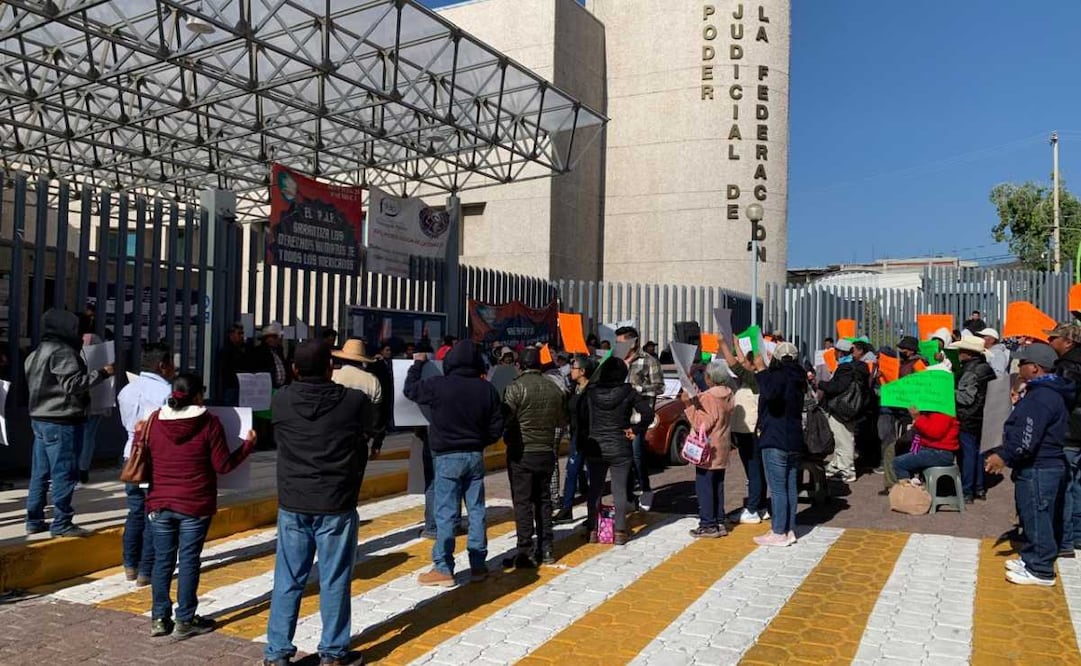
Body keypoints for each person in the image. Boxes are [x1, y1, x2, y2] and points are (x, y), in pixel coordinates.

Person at [264, 340, 377, 665]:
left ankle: (277, 653)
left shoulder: (282, 400)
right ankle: (333, 652)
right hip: (336, 501)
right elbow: (370, 429)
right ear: (331, 368)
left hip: (293, 501)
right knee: (335, 579)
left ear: (295, 369)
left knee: (288, 579)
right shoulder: (353, 402)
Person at [144, 373, 257, 638]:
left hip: (160, 502)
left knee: (162, 561)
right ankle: (184, 619)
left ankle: (159, 619)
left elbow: (146, 460)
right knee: (189, 560)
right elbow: (223, 465)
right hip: (195, 503)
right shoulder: (209, 423)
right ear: (197, 396)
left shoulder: (154, 421)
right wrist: (247, 446)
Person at [405, 341, 504, 587]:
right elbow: (496, 426)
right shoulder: (486, 389)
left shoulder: (438, 385)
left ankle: (443, 567)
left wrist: (417, 365)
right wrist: (480, 441)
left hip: (446, 456)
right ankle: (479, 565)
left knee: (446, 513)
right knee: (477, 511)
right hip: (474, 455)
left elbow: (410, 390)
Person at [985, 342, 1073, 586]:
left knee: (1037, 515)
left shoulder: (1041, 397)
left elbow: (1027, 436)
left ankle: (1041, 569)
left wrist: (1004, 456)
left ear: (1035, 368)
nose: (1019, 366)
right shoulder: (1044, 392)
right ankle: (1032, 557)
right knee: (1035, 514)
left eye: (1023, 363)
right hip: (1044, 465)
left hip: (1039, 467)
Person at [24, 308, 114, 537]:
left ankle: (34, 519)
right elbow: (73, 384)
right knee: (64, 472)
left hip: (40, 418)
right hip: (62, 419)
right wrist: (102, 373)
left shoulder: (37, 352)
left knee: (40, 473)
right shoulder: (62, 352)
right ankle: (62, 522)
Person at [117, 342, 176, 585]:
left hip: (131, 457)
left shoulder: (126, 391)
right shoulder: (166, 393)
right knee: (154, 513)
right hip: (154, 459)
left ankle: (130, 565)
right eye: (171, 364)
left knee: (135, 512)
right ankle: (146, 570)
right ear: (162, 365)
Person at [501, 348, 567, 567]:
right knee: (544, 500)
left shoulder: (515, 387)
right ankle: (547, 548)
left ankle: (525, 550)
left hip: (522, 452)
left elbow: (507, 419)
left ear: (521, 365)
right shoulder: (553, 388)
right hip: (546, 451)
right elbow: (560, 421)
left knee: (523, 502)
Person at [581, 357, 654, 545]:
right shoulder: (628, 391)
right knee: (619, 489)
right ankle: (620, 531)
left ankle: (592, 530)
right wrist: (635, 429)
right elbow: (647, 413)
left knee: (595, 489)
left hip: (595, 444)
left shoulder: (591, 391)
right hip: (620, 445)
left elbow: (579, 414)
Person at [751, 342, 807, 547]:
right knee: (790, 486)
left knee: (777, 489)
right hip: (794, 438)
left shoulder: (777, 376)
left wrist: (761, 369)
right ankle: (789, 528)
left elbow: (770, 392)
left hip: (775, 437)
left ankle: (779, 531)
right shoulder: (799, 376)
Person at [680, 361, 735, 538]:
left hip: (708, 448)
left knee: (704, 486)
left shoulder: (710, 397)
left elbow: (702, 422)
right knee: (718, 484)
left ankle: (707, 524)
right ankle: (719, 520)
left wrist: (688, 406)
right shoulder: (728, 393)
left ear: (710, 378)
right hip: (722, 445)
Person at [718, 336, 768, 524]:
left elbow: (736, 366)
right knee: (755, 470)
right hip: (745, 431)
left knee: (753, 470)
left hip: (750, 432)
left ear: (755, 365)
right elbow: (740, 364)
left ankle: (753, 508)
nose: (742, 362)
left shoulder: (755, 381)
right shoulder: (752, 380)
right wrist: (738, 346)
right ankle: (761, 505)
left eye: (747, 360)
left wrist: (723, 346)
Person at [616, 325, 664, 511]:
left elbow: (659, 387)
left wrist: (636, 390)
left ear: (633, 342)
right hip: (619, 416)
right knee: (622, 457)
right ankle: (628, 496)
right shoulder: (616, 361)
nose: (618, 346)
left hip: (638, 417)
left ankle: (645, 489)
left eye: (622, 342)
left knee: (636, 455)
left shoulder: (648, 361)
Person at [1046, 322, 1081, 557]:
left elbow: (1061, 397)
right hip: (1078, 432)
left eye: (1053, 338)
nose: (1050, 342)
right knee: (1077, 485)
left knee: (1064, 487)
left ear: (1068, 342)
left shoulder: (1067, 366)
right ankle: (1077, 536)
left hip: (1069, 432)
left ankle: (1065, 540)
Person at [950, 334, 996, 503]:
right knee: (979, 453)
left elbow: (966, 398)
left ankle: (967, 490)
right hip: (984, 416)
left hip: (968, 417)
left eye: (962, 350)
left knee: (968, 454)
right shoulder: (986, 368)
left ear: (969, 353)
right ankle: (979, 488)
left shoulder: (969, 371)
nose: (959, 352)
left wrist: (948, 390)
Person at [878, 336, 925, 495]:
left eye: (903, 349)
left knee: (905, 447)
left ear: (911, 350)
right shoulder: (905, 363)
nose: (900, 351)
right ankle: (897, 482)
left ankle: (897, 483)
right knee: (899, 447)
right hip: (901, 409)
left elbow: (921, 386)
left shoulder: (918, 364)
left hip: (910, 412)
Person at [819, 338, 870, 483]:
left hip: (841, 409)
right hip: (853, 408)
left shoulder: (846, 367)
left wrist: (821, 384)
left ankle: (847, 471)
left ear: (839, 352)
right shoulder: (860, 366)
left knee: (844, 439)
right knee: (842, 437)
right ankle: (836, 466)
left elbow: (838, 387)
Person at [554, 355, 596, 524]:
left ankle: (593, 513)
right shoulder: (573, 389)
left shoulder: (593, 391)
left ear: (583, 371)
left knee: (594, 476)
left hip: (591, 439)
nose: (571, 370)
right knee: (571, 473)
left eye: (574, 368)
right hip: (576, 438)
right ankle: (566, 509)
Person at [892, 408, 960, 481]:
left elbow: (935, 433)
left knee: (899, 463)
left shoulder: (944, 412)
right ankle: (905, 485)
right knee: (895, 452)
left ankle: (907, 490)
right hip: (928, 448)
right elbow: (919, 434)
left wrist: (918, 418)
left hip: (940, 453)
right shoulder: (930, 412)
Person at [331, 339, 383, 406]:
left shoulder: (332, 375)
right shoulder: (372, 380)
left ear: (342, 358)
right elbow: (376, 409)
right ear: (362, 361)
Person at [218, 323, 251, 406]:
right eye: (239, 333)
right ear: (232, 335)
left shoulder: (244, 349)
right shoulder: (227, 350)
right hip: (232, 386)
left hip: (243, 387)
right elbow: (226, 370)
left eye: (242, 333)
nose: (242, 336)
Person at [254, 323, 290, 389]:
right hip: (268, 388)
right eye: (274, 337)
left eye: (277, 337)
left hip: (282, 388)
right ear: (266, 339)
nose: (277, 339)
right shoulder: (259, 353)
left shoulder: (278, 351)